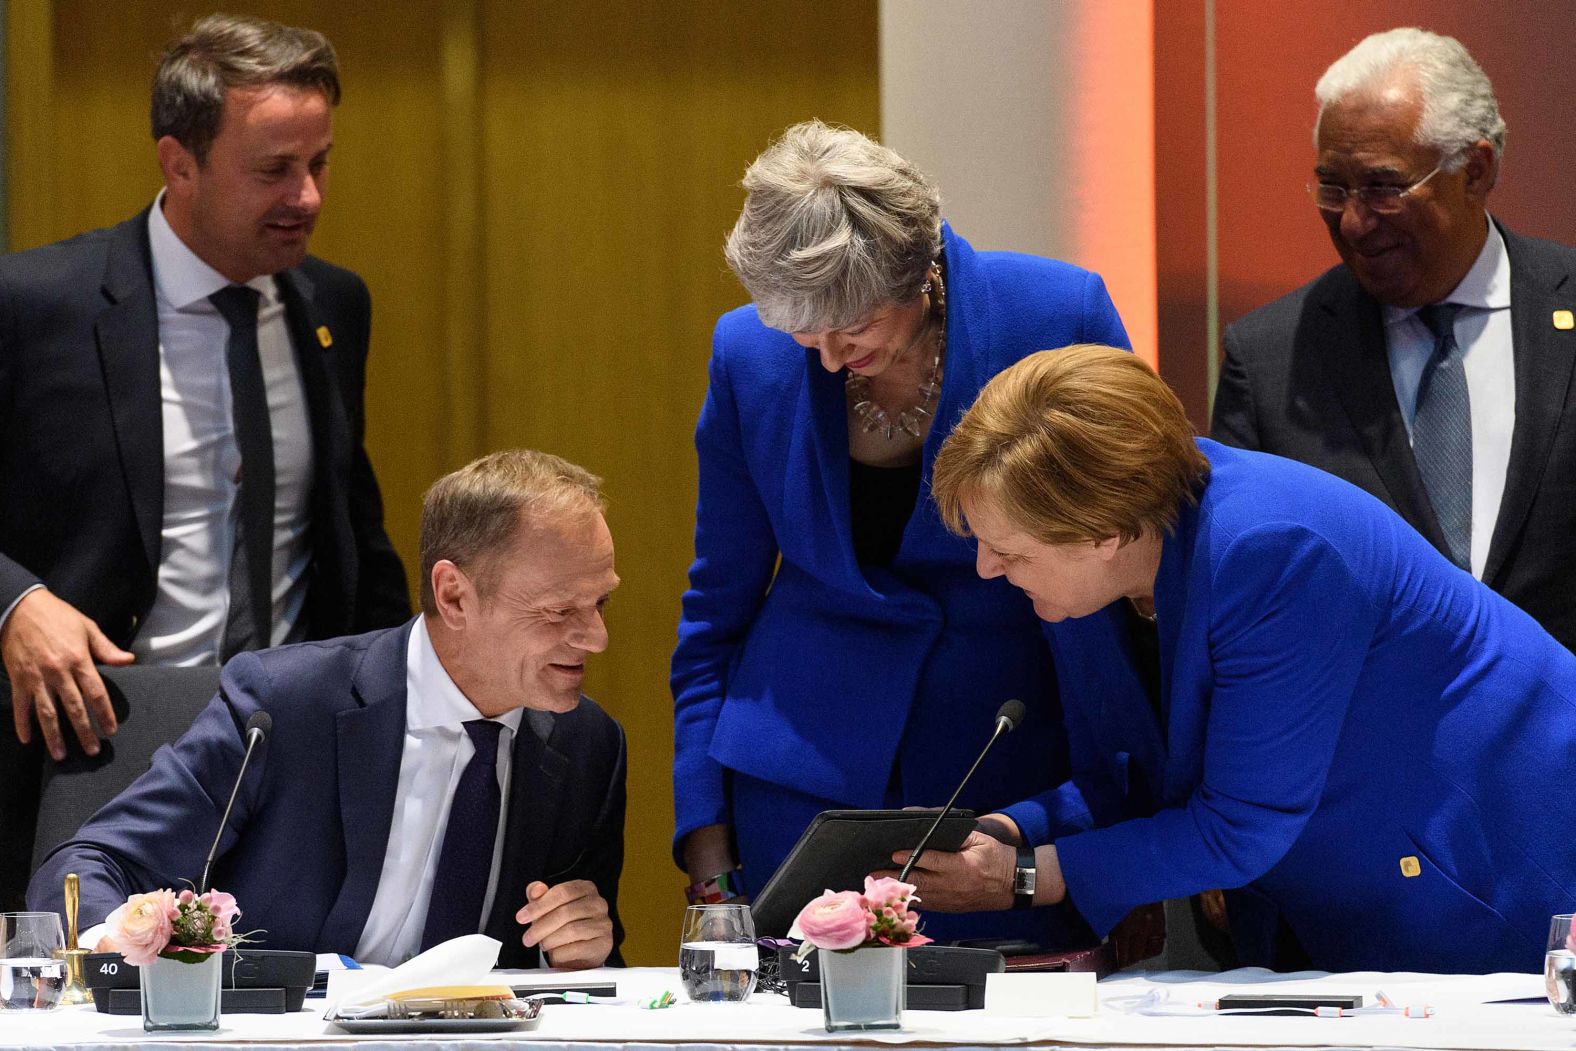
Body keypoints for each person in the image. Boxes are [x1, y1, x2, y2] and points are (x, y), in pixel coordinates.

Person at [904, 343, 1576, 973]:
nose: (988, 569)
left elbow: (1240, 823)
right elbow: (1138, 770)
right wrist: (1001, 832)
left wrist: (1025, 878)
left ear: (1103, 532)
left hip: (1495, 869)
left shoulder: (1273, 551)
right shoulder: (1094, 574)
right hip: (1361, 883)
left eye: (1012, 551)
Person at [672, 120, 1135, 949]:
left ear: (919, 274)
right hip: (797, 788)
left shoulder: (1057, 314)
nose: (824, 360)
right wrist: (708, 848)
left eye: (849, 332)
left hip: (1007, 782)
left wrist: (1118, 800)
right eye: (802, 336)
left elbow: (1126, 573)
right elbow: (717, 610)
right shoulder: (747, 352)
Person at [0, 13, 409, 908]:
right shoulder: (35, 305)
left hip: (287, 762)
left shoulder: (335, 305)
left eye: (319, 163)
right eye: (273, 170)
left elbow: (352, 538)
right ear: (178, 163)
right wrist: (15, 603)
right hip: (93, 746)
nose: (306, 196)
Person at [30, 450, 625, 969]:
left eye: (599, 602)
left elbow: (582, 967)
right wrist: (114, 943)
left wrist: (579, 947)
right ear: (455, 596)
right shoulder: (286, 707)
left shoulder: (587, 746)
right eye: (558, 611)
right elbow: (93, 863)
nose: (596, 638)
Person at [1212, 28, 1576, 654]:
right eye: (1333, 188)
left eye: (1384, 187)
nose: (1353, 222)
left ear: (1475, 171)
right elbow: (1240, 589)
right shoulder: (1272, 360)